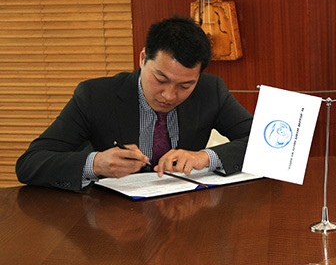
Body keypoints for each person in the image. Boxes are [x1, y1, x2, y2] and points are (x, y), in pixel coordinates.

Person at [16, 16, 253, 191]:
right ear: (142, 58)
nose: (169, 95)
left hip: (184, 215)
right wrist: (95, 164)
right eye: (160, 79)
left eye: (185, 85)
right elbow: (30, 163)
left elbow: (264, 144)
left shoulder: (211, 91)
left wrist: (205, 157)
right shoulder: (95, 96)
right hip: (115, 222)